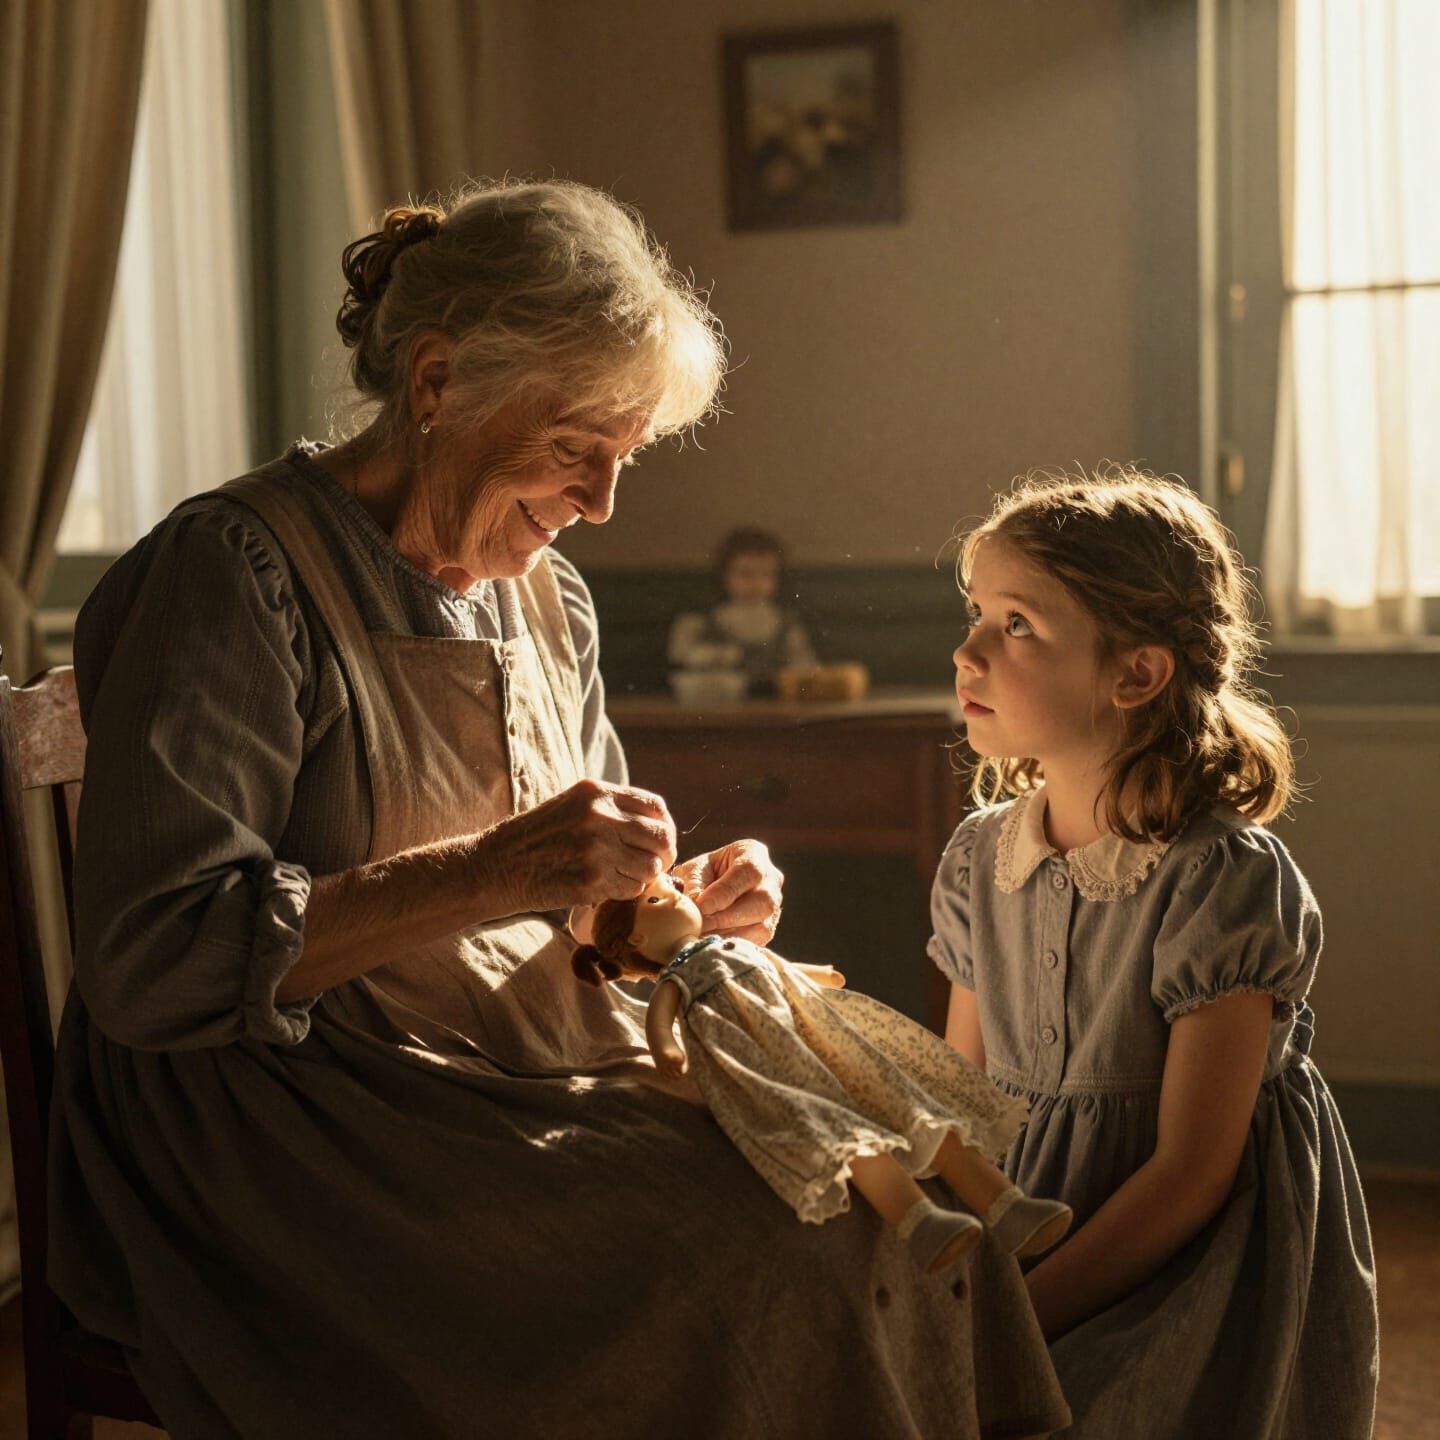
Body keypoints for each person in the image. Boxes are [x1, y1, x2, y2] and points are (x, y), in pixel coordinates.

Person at [48, 179, 1067, 1439]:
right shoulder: (231, 573)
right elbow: (156, 964)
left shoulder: (546, 596)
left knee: (876, 1179)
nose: (602, 502)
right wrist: (494, 869)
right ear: (436, 384)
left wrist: (675, 904)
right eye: (578, 447)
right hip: (286, 1127)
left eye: (624, 457)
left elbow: (571, 904)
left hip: (493, 1062)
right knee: (769, 1249)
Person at [930, 467, 1379, 1438]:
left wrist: (1021, 1319)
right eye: (975, 613)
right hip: (1022, 1218)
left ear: (1135, 674)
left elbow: (1190, 1175)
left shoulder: (1218, 877)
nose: (965, 651)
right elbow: (961, 1106)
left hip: (1186, 1254)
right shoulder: (979, 859)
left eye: (1015, 625)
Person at [572, 875, 1070, 1273]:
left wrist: (818, 975)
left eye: (675, 887)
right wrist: (668, 1052)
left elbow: (776, 966)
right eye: (662, 896)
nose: (683, 891)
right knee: (846, 1137)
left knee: (909, 1104)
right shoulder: (679, 979)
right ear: (637, 937)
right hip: (771, 1067)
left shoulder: (731, 948)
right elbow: (661, 1024)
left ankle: (1007, 1205)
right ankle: (920, 1223)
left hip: (822, 1038)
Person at [666, 527, 815, 695]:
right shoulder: (704, 620)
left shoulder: (785, 623)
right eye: (745, 574)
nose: (756, 583)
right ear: (724, 575)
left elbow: (804, 664)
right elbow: (680, 654)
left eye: (766, 575)